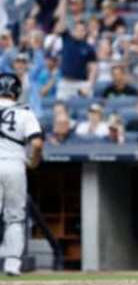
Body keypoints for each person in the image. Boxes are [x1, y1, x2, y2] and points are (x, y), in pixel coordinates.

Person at [0, 73, 44, 276]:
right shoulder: (25, 113)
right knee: (15, 217)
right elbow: (36, 142)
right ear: (17, 91)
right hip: (15, 166)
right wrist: (33, 161)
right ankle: (12, 264)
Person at [54, 0, 97, 100]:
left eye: (83, 30)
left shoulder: (89, 47)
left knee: (86, 109)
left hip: (81, 83)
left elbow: (93, 68)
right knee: (59, 107)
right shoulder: (66, 38)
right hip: (65, 82)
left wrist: (89, 85)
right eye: (78, 29)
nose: (80, 32)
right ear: (73, 30)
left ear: (86, 32)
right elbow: (62, 19)